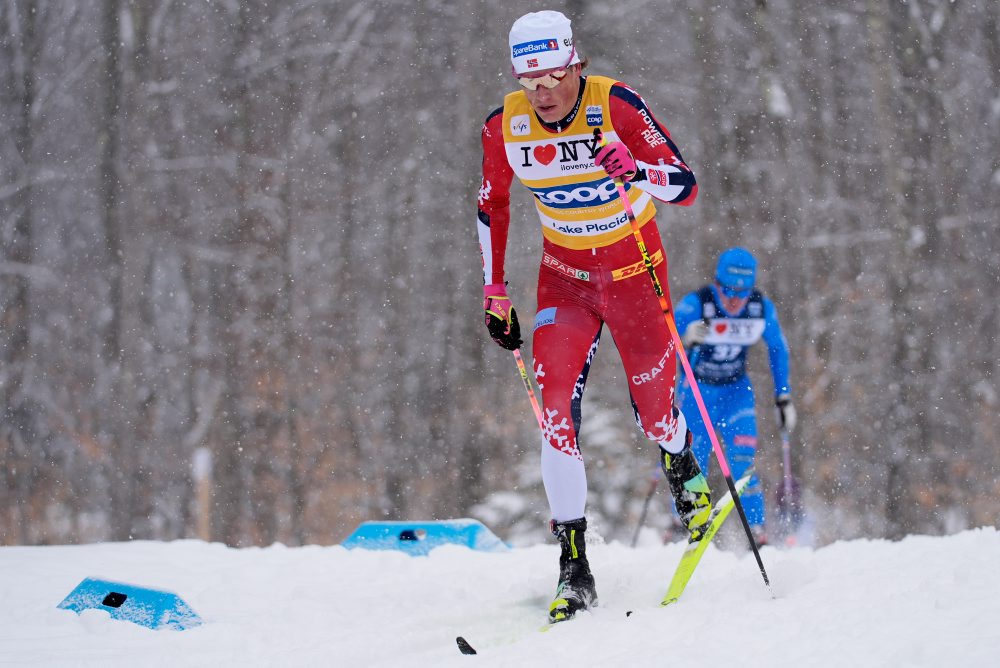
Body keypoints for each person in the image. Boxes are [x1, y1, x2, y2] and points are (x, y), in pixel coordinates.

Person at [476, 9, 707, 623]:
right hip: (567, 279)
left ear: (574, 64)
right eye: (529, 81)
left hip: (635, 271)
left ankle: (680, 457)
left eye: (552, 76)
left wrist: (637, 171)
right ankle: (573, 567)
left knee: (655, 411)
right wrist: (494, 289)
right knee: (554, 411)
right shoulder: (505, 126)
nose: (542, 92)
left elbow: (685, 184)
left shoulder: (618, 106)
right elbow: (492, 205)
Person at [673, 247, 795, 547]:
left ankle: (757, 533)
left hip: (736, 393)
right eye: (728, 290)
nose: (734, 299)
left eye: (742, 292)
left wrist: (783, 397)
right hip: (698, 392)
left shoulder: (760, 308)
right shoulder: (695, 304)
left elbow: (778, 348)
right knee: (692, 463)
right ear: (717, 283)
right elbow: (663, 343)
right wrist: (684, 338)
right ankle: (683, 527)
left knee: (743, 463)